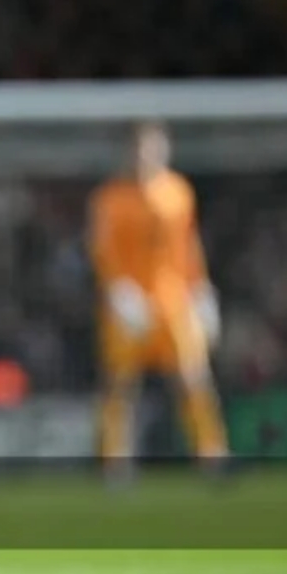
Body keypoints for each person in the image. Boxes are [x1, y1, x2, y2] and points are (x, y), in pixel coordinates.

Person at [89, 121, 228, 479]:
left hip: (174, 302)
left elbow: (189, 247)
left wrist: (201, 290)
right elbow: (102, 250)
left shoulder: (179, 192)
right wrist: (118, 290)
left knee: (194, 378)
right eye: (139, 149)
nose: (145, 156)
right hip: (129, 305)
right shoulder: (110, 198)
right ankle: (114, 463)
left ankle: (211, 455)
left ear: (163, 150)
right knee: (120, 384)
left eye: (152, 147)